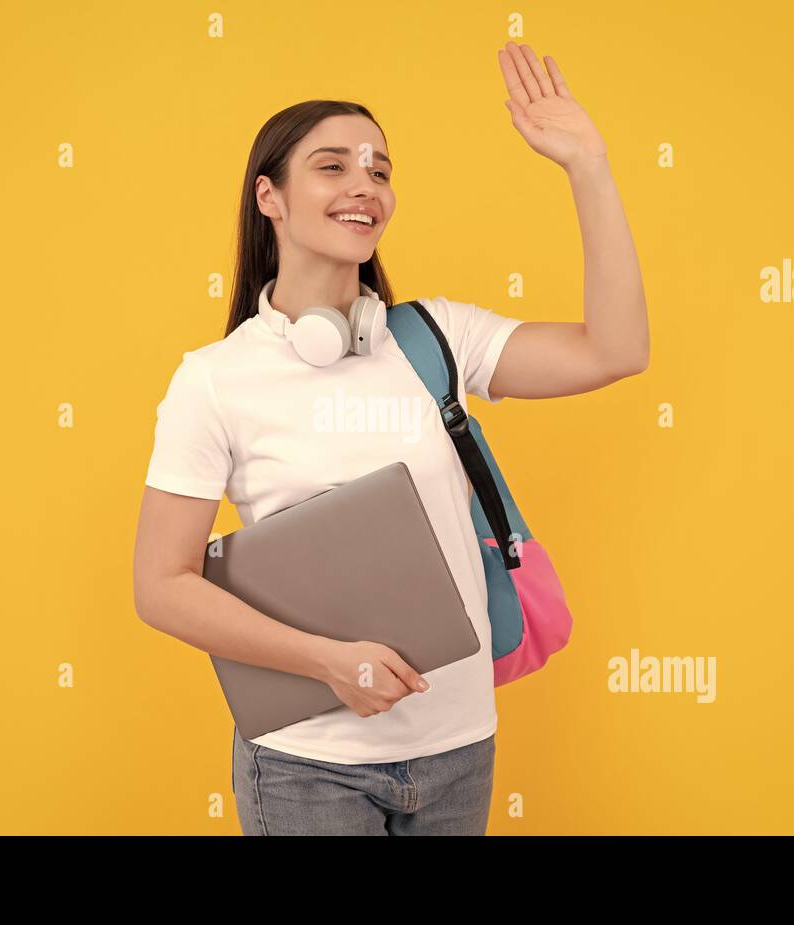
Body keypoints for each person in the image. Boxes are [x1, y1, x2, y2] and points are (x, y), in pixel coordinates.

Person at [132, 42, 650, 835]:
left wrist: (589, 166)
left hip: (459, 748)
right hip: (307, 763)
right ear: (269, 197)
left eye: (379, 170)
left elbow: (616, 350)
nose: (364, 187)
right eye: (333, 166)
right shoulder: (213, 380)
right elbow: (160, 585)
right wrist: (330, 663)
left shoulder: (437, 335)